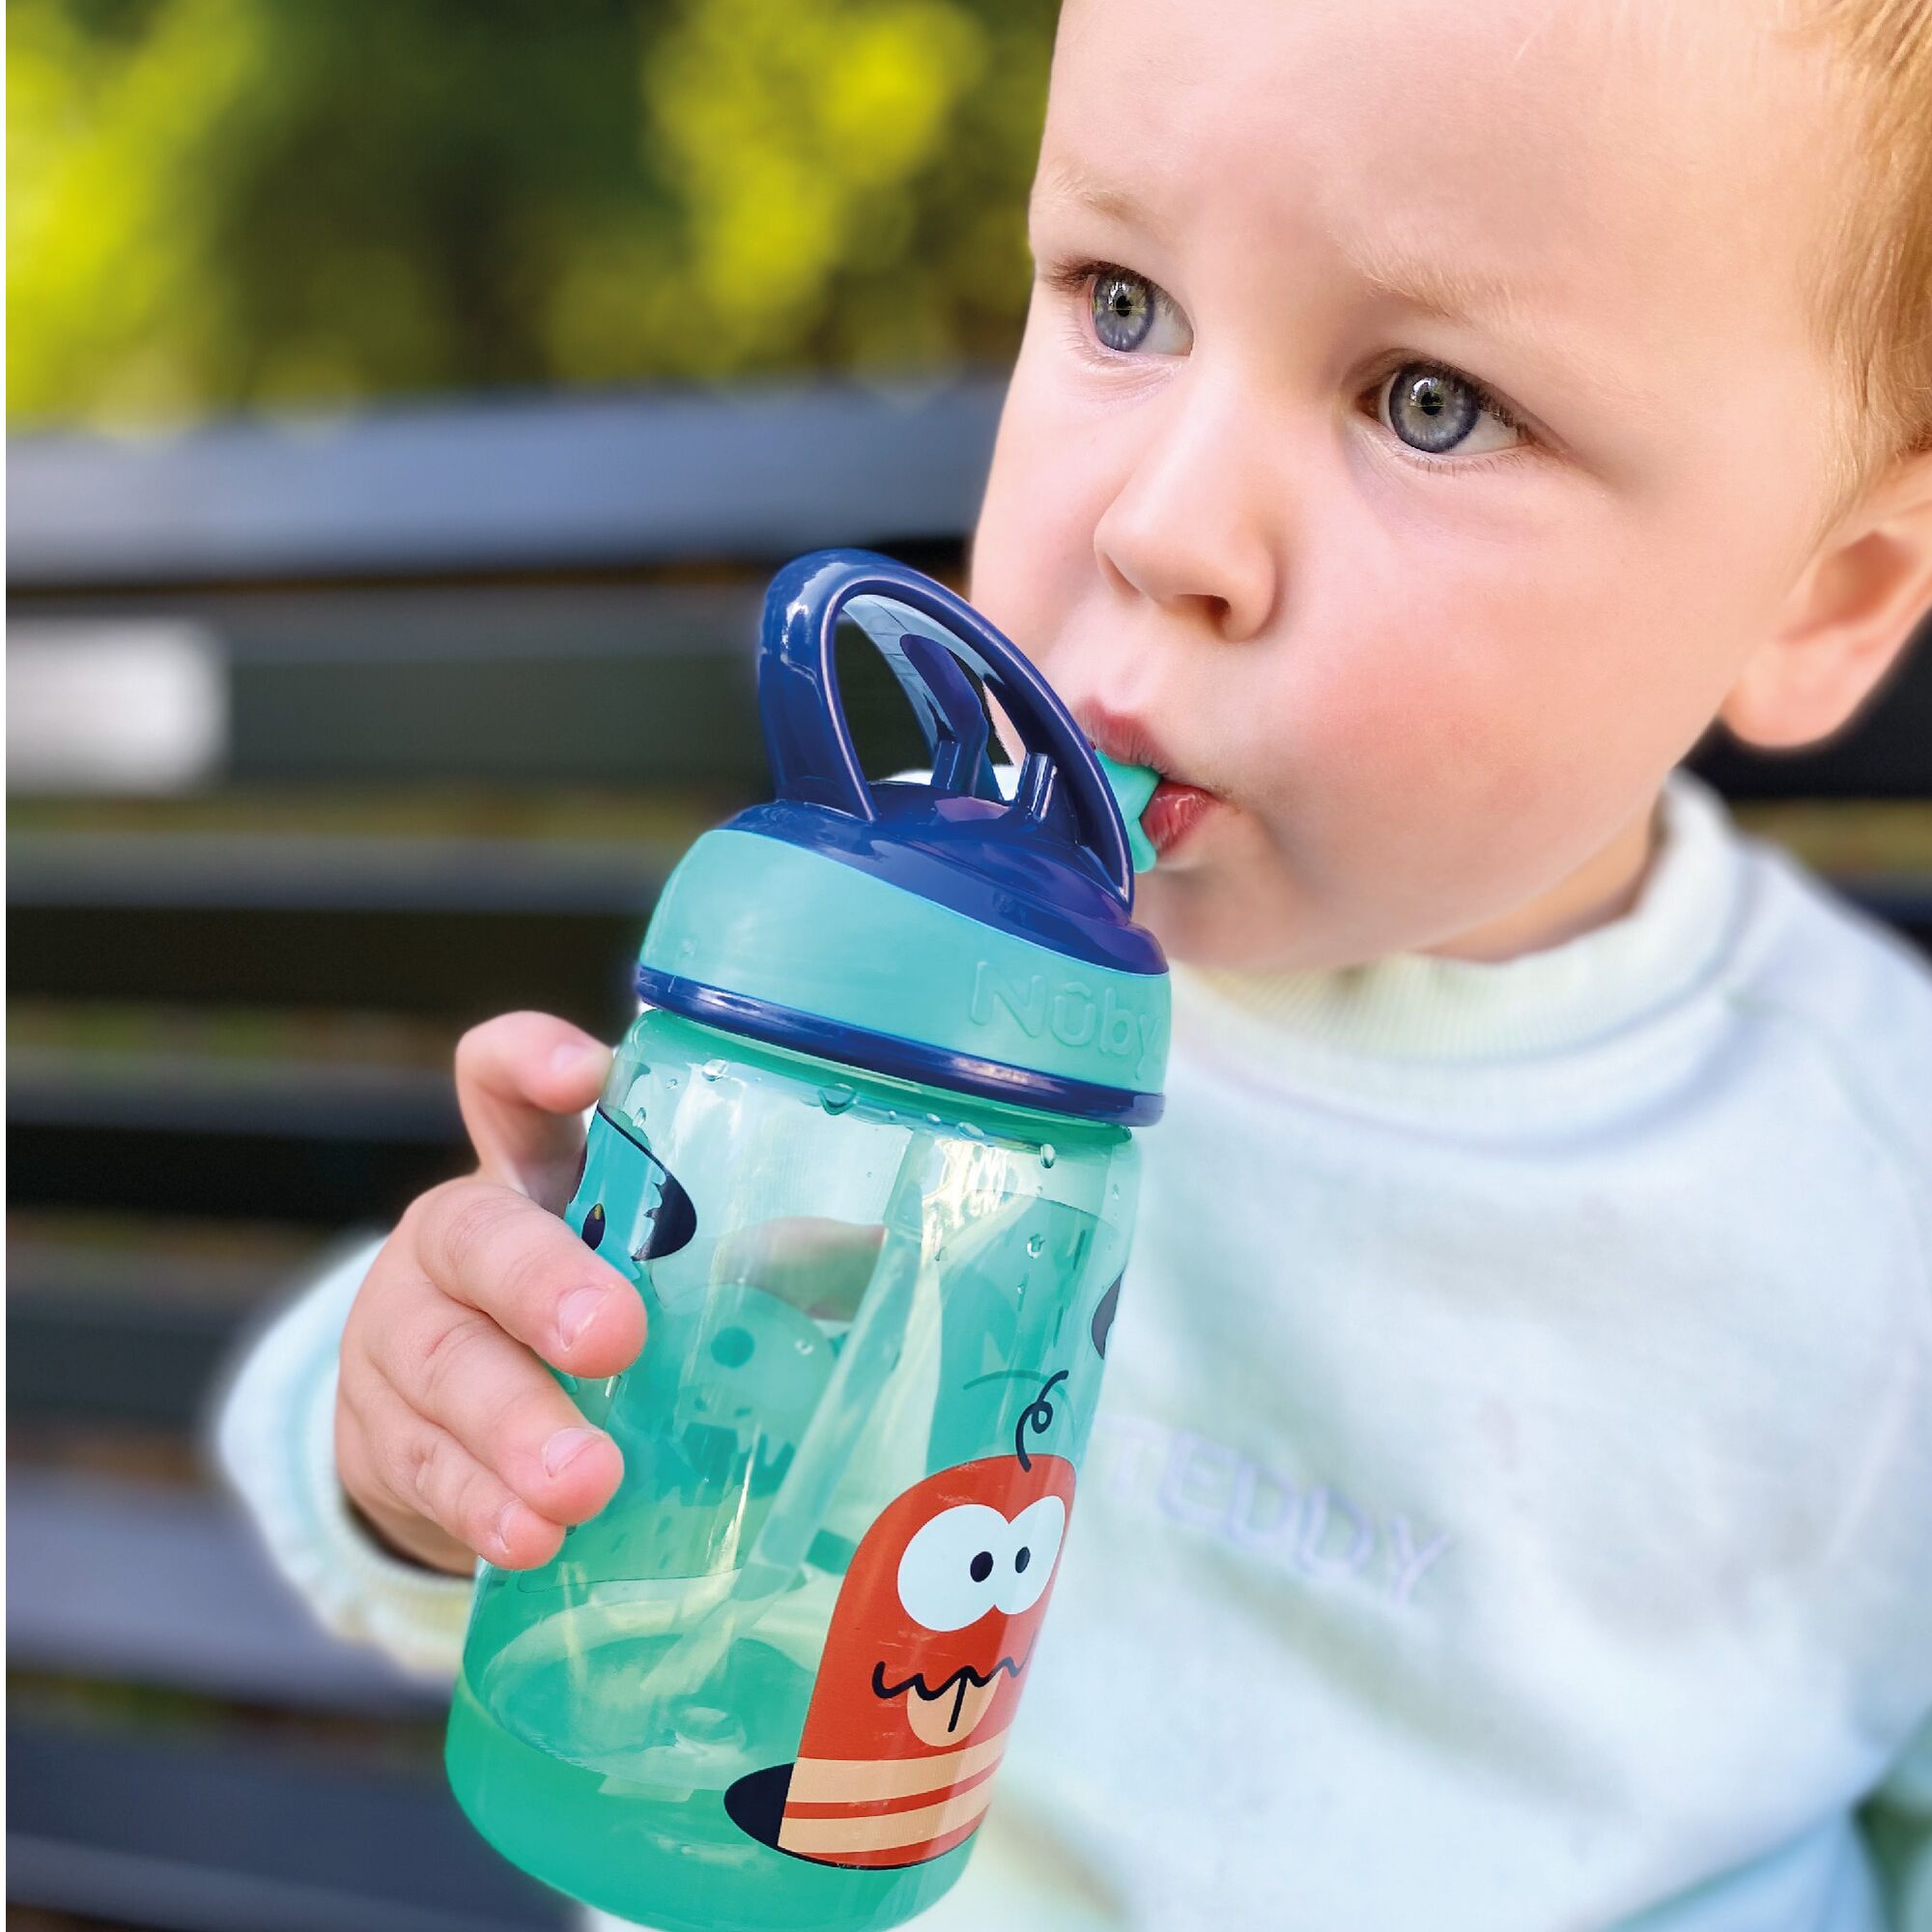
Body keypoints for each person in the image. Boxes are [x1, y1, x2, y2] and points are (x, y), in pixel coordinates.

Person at [216, 0, 1932, 1924]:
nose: (1160, 519)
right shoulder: (882, 1001)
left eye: (1425, 401)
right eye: (1121, 302)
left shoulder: (1877, 1207)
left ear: (1825, 595)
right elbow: (461, 1469)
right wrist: (442, 1425)